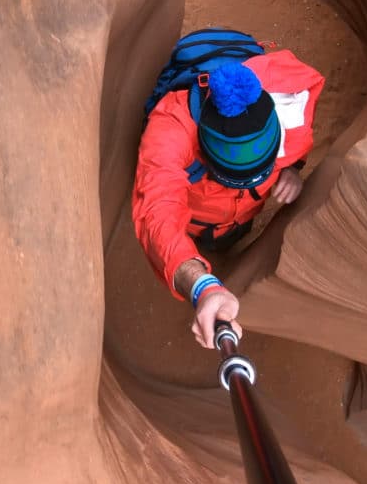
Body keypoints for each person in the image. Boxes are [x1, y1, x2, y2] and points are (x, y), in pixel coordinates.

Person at [133, 48, 324, 349]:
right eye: (235, 180)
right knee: (205, 240)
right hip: (198, 220)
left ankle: (227, 239)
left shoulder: (290, 94)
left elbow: (303, 126)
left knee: (233, 235)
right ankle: (209, 246)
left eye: (266, 171)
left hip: (243, 213)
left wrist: (292, 169)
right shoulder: (170, 130)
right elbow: (158, 214)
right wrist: (202, 286)